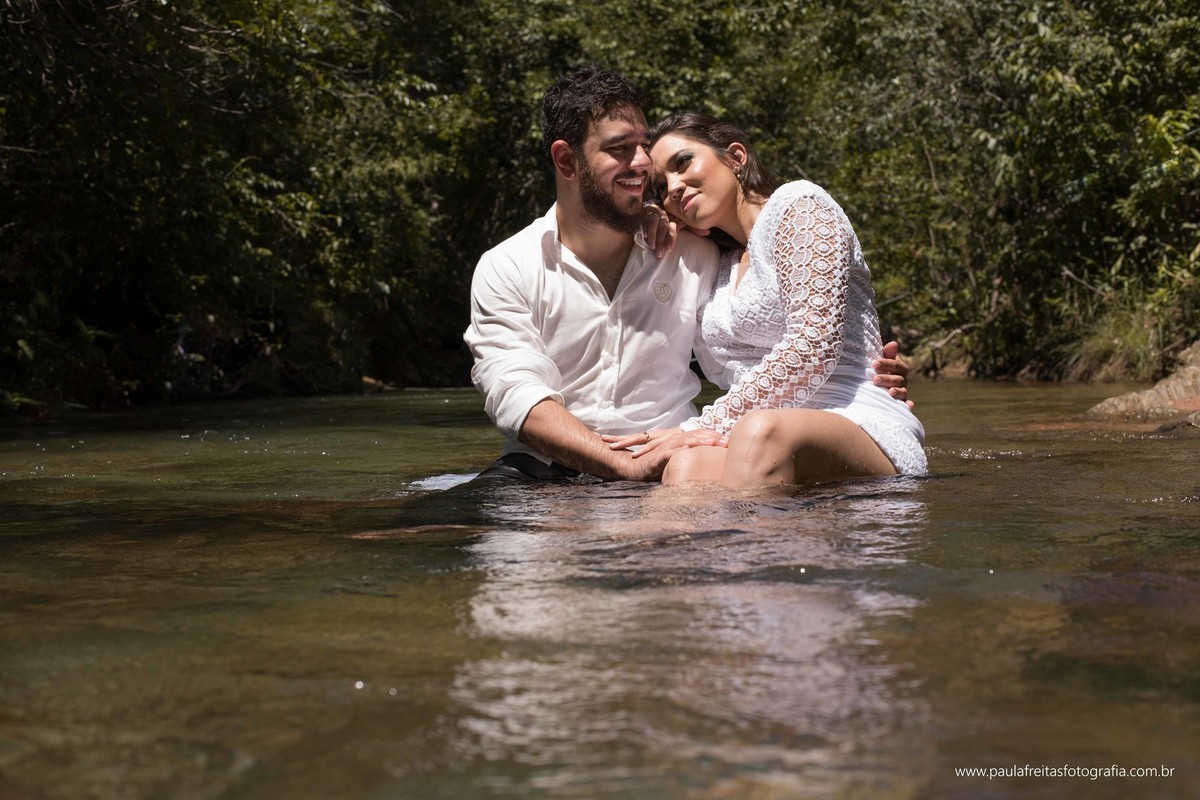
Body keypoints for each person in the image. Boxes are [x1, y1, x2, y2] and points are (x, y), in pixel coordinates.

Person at [464, 66, 910, 483]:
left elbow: (815, 328)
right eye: (622, 150)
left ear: (736, 157)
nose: (644, 168)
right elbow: (516, 396)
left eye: (668, 160)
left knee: (714, 462)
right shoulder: (509, 266)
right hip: (544, 468)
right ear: (566, 162)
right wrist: (621, 465)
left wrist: (869, 364)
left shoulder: (703, 248)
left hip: (682, 454)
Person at [604, 113, 926, 486]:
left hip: (853, 417)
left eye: (683, 163)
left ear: (736, 157)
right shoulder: (714, 265)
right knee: (686, 467)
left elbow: (814, 347)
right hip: (750, 435)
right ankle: (620, 546)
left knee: (759, 432)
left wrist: (698, 426)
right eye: (660, 187)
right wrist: (646, 212)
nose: (674, 187)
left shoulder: (801, 206)